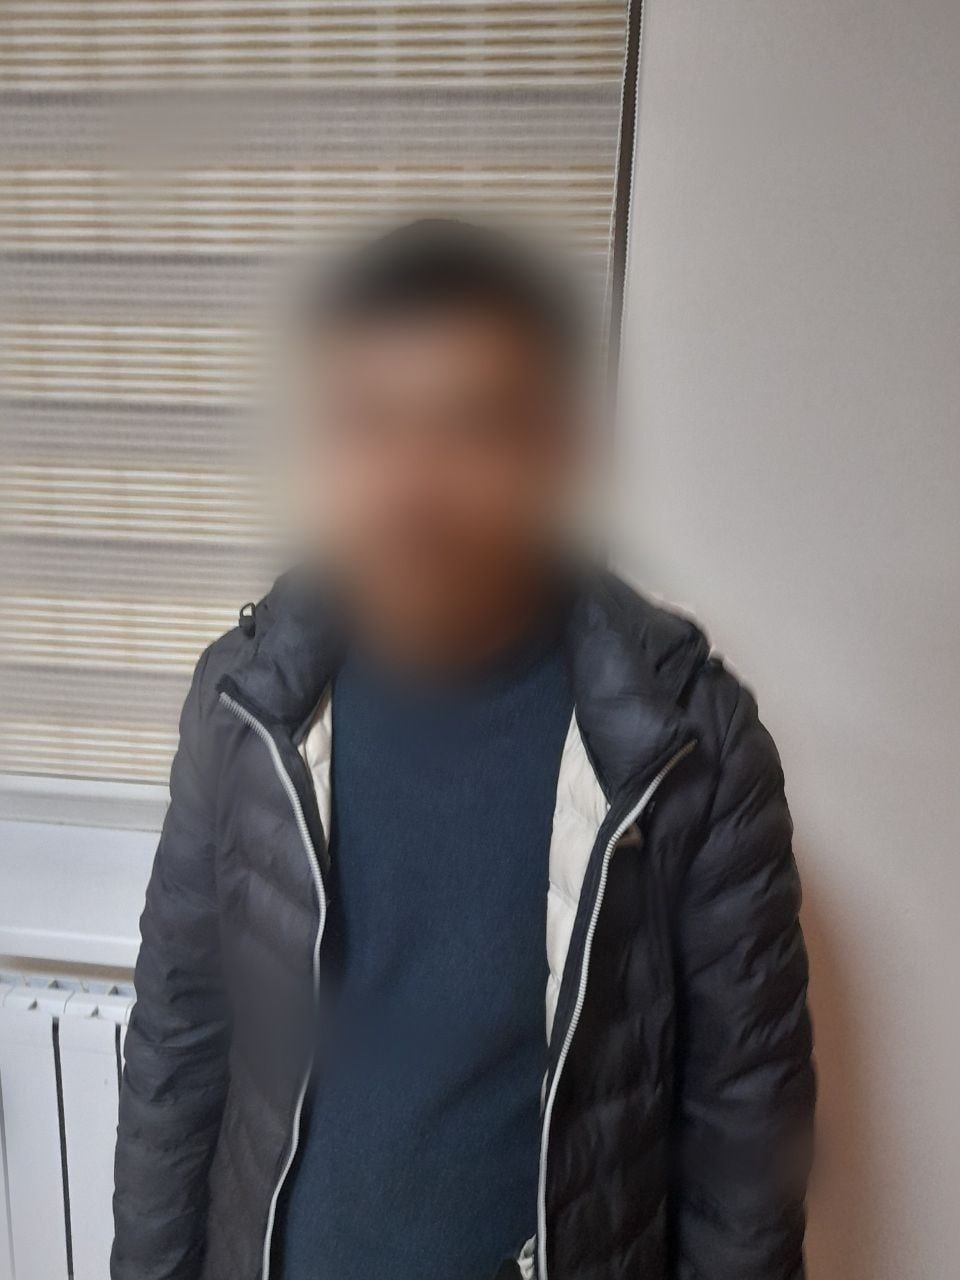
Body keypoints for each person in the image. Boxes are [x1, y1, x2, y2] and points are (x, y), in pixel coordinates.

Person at [111, 220, 814, 1280]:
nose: (412, 485)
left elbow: (744, 1148)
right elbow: (179, 1046)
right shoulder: (246, 704)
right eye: (370, 423)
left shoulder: (687, 749)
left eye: (471, 426)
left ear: (551, 450)